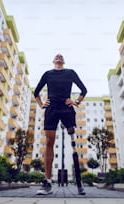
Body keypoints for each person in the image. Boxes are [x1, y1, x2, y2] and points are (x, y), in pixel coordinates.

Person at [34, 54, 87, 195]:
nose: (58, 57)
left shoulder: (70, 73)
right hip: (51, 109)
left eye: (61, 56)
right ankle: (47, 182)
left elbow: (84, 90)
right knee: (49, 141)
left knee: (72, 140)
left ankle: (79, 182)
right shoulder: (48, 74)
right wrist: (41, 105)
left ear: (63, 61)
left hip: (66, 108)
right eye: (56, 56)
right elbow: (36, 92)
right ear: (53, 61)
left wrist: (76, 102)